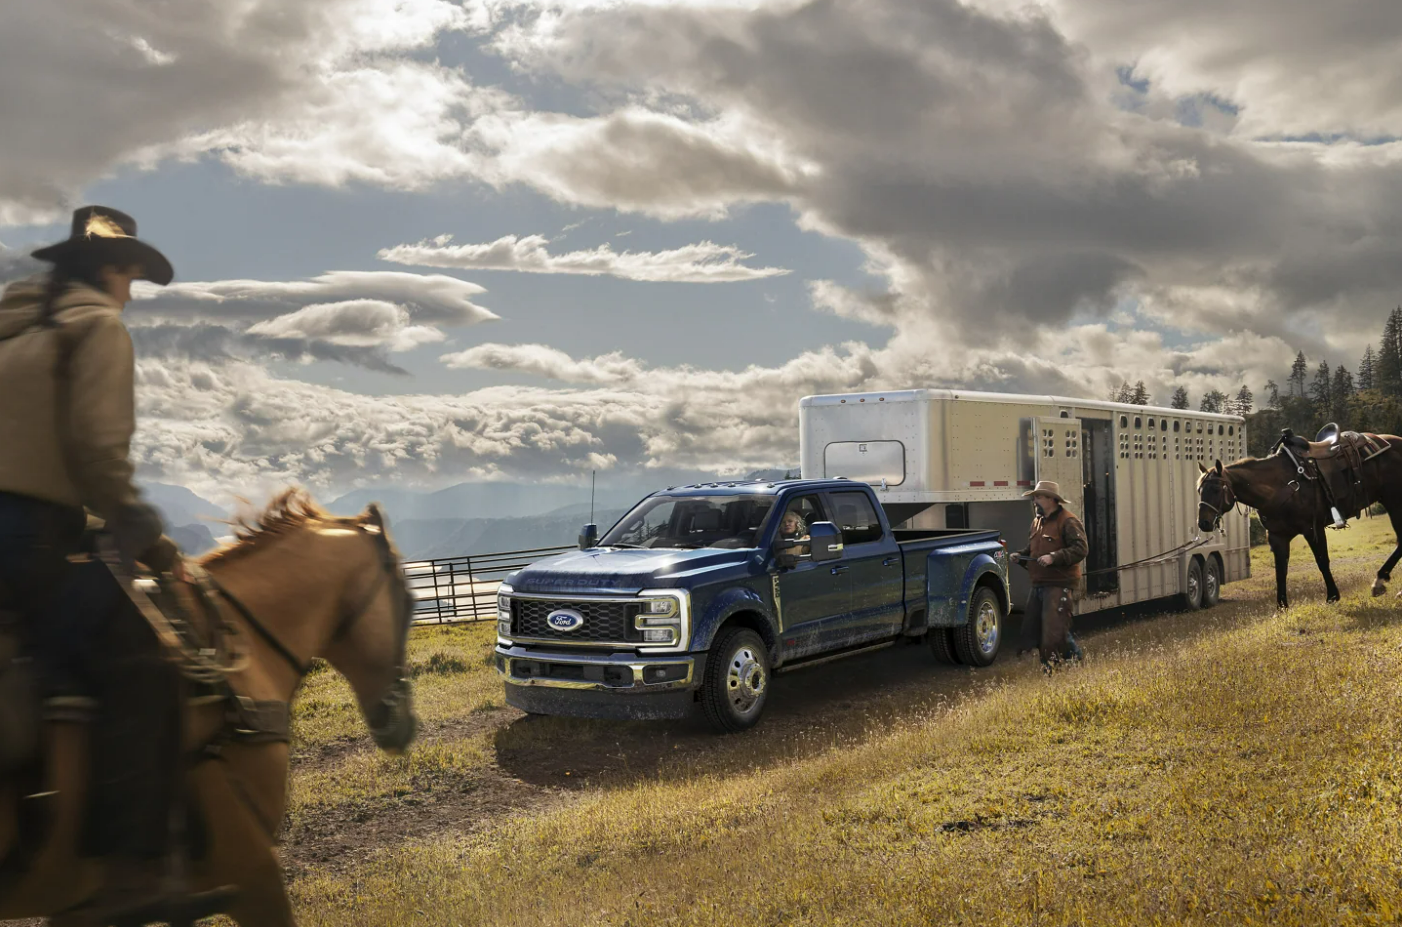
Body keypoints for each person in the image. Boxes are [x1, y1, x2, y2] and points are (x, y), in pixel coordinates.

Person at [0, 206, 229, 921]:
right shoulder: (95, 325)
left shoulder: (11, 327)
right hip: (26, 539)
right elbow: (99, 457)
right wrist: (152, 539)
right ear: (110, 267)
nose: (131, 292)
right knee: (147, 663)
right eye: (131, 275)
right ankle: (132, 878)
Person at [1013, 480, 1088, 670]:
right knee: (1038, 629)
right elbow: (1034, 549)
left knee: (1052, 632)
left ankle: (1055, 669)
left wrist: (1054, 557)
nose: (1035, 501)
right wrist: (1020, 555)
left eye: (1038, 497)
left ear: (1051, 499)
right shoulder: (1037, 522)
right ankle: (1073, 662)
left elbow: (1081, 549)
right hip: (1039, 583)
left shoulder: (1068, 521)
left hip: (1059, 583)